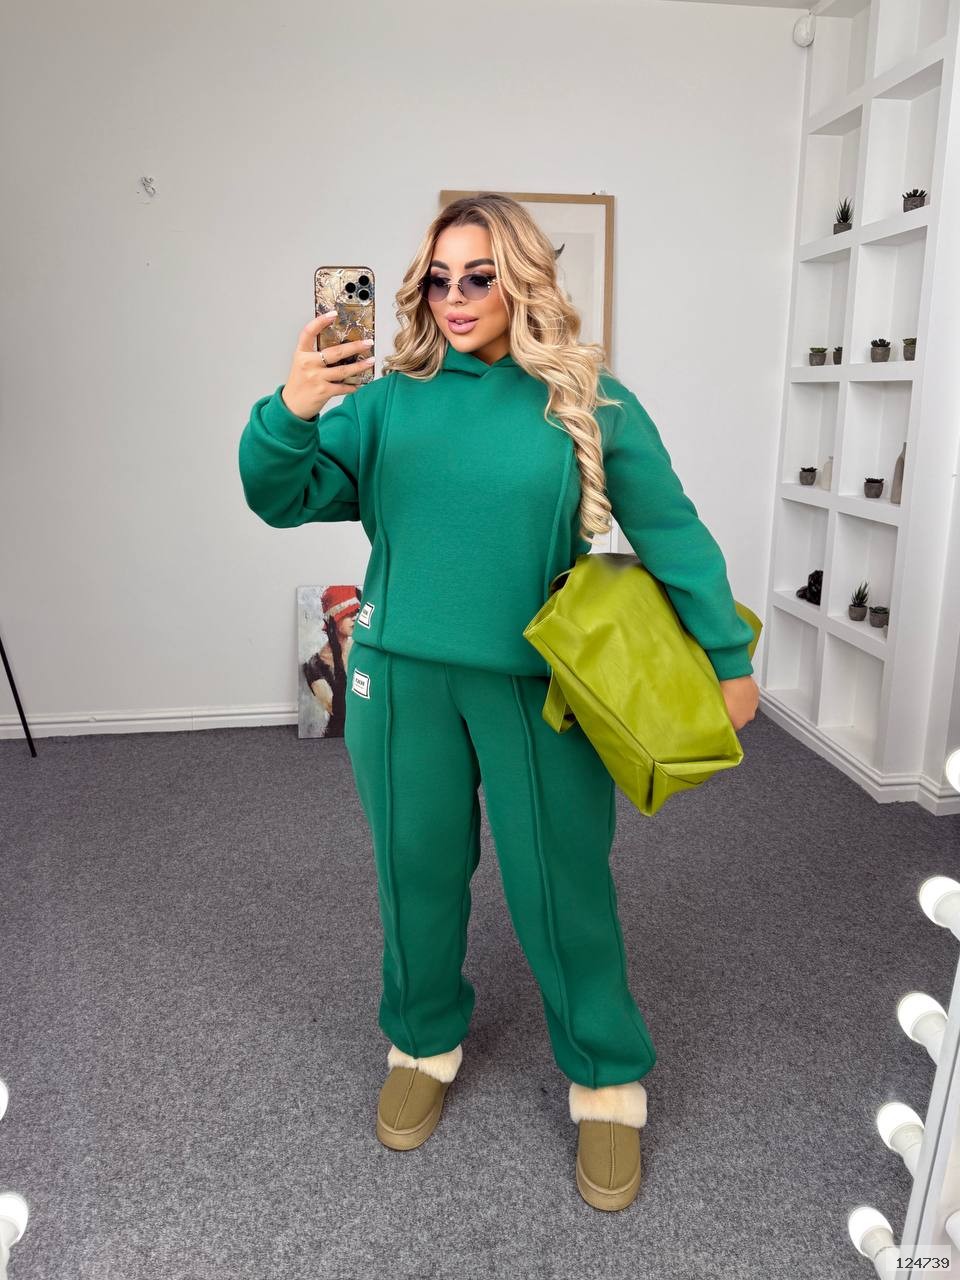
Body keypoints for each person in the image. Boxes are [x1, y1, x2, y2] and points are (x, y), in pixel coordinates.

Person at [238, 192, 759, 1213]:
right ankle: (421, 1039)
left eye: (479, 275)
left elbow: (672, 531)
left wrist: (728, 657)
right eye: (440, 278)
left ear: (522, 278)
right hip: (401, 684)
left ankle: (606, 1076)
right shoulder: (387, 403)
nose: (457, 295)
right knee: (416, 874)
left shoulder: (588, 400)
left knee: (563, 886)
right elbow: (277, 493)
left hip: (538, 688)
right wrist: (291, 408)